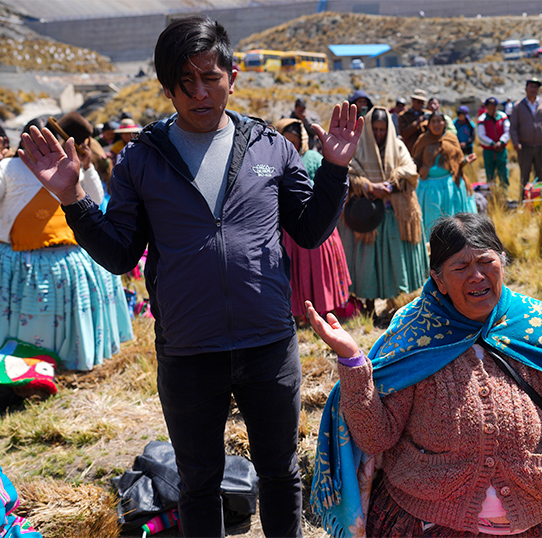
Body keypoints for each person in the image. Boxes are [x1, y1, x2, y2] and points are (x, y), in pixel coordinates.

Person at [18, 16, 363, 537]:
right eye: (185, 83)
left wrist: (335, 171)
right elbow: (119, 254)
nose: (200, 92)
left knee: (280, 472)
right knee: (198, 482)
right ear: (167, 88)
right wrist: (73, 200)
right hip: (187, 350)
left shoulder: (272, 147)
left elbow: (311, 231)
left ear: (233, 74)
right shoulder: (141, 159)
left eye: (211, 77)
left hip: (268, 343)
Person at [308, 212, 542, 538]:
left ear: (503, 262)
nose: (476, 275)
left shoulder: (535, 324)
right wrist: (352, 361)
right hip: (431, 516)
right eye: (460, 267)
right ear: (438, 280)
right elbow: (375, 437)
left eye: (486, 262)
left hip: (541, 510)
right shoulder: (414, 334)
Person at [1, 113, 132, 371]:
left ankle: (68, 366)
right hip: (21, 262)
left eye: (51, 141)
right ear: (24, 142)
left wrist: (87, 167)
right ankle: (23, 369)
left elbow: (94, 199)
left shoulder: (67, 168)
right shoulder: (7, 169)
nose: (45, 147)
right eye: (38, 141)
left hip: (70, 259)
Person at [341, 107, 429, 313]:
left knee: (393, 260)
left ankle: (394, 304)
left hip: (394, 215)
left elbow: (410, 171)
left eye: (383, 129)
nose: (379, 133)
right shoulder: (359, 148)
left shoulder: (397, 146)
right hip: (367, 218)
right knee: (368, 263)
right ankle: (368, 304)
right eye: (375, 129)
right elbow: (348, 173)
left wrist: (389, 185)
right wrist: (369, 186)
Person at [275, 117, 351, 324]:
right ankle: (298, 314)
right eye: (285, 140)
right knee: (298, 273)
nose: (291, 146)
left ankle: (322, 314)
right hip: (289, 228)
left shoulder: (312, 159)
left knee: (318, 272)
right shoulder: (273, 161)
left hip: (316, 224)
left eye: (294, 141)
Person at [412, 111, 477, 237]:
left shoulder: (451, 138)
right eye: (433, 121)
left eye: (439, 121)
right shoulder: (423, 140)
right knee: (431, 219)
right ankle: (430, 246)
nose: (437, 124)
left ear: (445, 123)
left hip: (450, 186)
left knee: (452, 220)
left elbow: (457, 162)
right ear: (429, 124)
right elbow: (416, 161)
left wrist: (465, 161)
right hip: (428, 187)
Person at [509, 77, 542, 190]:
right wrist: (515, 142)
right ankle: (524, 201)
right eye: (531, 86)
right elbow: (513, 127)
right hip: (524, 147)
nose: (533, 89)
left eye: (536, 87)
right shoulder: (518, 106)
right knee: (525, 176)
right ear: (526, 88)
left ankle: (541, 201)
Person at [477, 96, 510, 188]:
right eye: (490, 107)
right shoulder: (482, 119)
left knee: (503, 172)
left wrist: (501, 142)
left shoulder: (503, 117)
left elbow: (507, 131)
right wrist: (492, 143)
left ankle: (504, 193)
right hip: (489, 151)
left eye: (494, 107)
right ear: (487, 107)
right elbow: (481, 135)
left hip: (501, 150)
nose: (492, 109)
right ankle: (492, 194)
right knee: (490, 173)